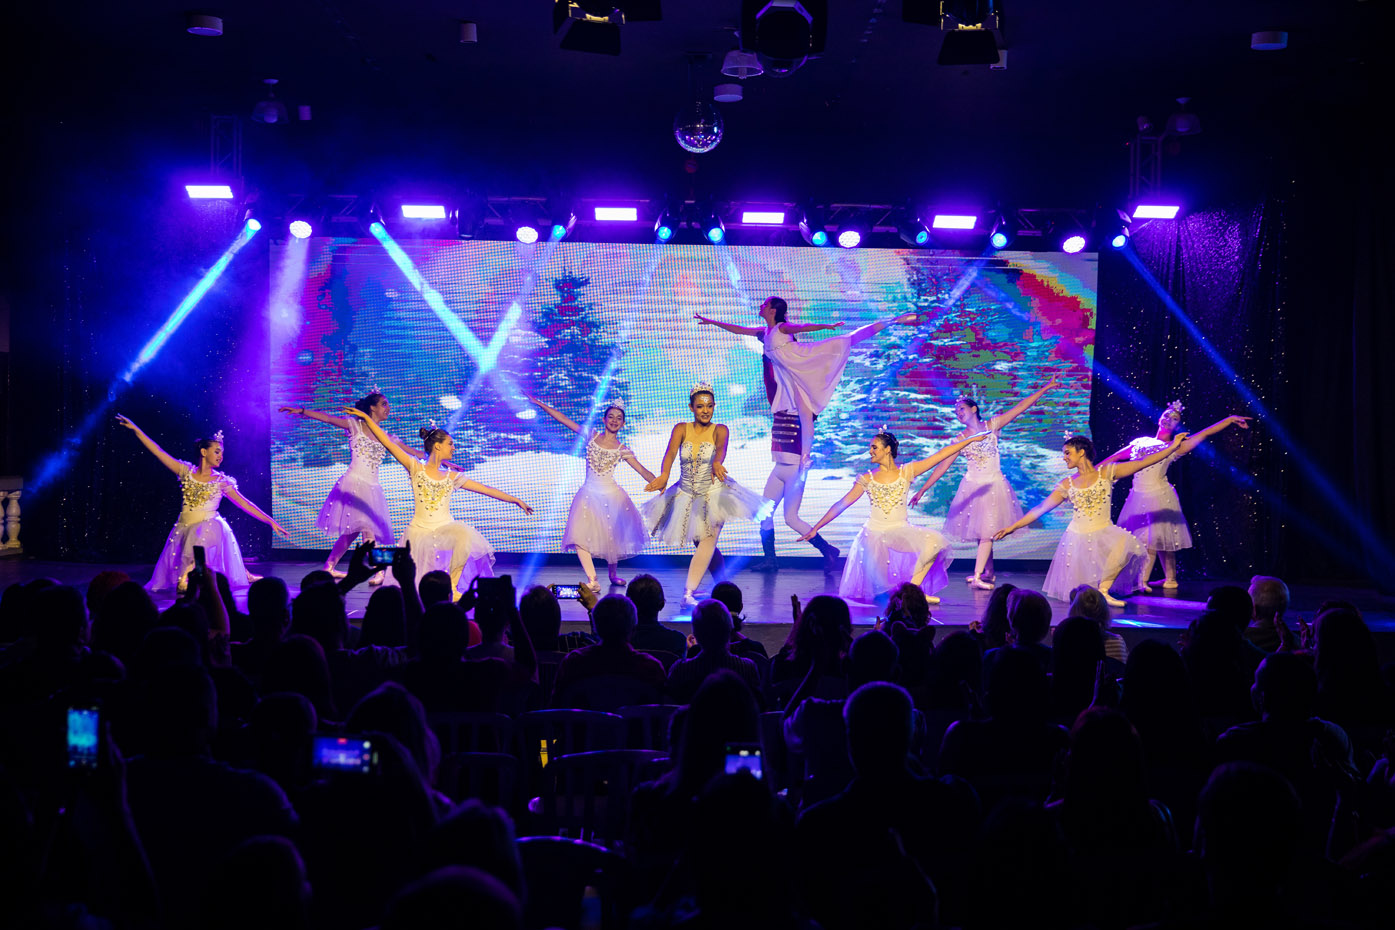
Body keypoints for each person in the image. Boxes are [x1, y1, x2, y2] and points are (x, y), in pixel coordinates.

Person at [696, 297, 922, 573]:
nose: (761, 307)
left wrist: (826, 327)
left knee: (791, 518)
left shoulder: (794, 377)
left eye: (765, 305)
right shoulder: (777, 381)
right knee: (763, 513)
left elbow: (801, 328)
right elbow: (740, 329)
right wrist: (711, 322)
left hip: (794, 466)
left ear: (774, 310)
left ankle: (828, 551)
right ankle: (771, 560)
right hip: (780, 466)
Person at [345, 407, 532, 597]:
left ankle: (452, 586)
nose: (454, 447)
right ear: (437, 446)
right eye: (450, 443)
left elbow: (486, 489)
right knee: (418, 585)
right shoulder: (415, 468)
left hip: (445, 530)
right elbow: (387, 442)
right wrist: (367, 418)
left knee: (464, 534)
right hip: (419, 532)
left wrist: (515, 500)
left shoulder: (452, 477)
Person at [993, 432, 1191, 607]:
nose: (1064, 457)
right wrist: (1013, 527)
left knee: (1128, 545)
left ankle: (1104, 591)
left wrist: (1173, 447)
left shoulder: (1107, 472)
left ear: (1081, 452)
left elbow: (1143, 462)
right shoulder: (1067, 484)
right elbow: (1040, 509)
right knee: (1084, 590)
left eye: (1067, 453)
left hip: (1103, 529)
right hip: (1077, 535)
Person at [799, 429, 989, 604]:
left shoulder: (906, 471)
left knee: (934, 542)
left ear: (887, 449)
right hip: (875, 535)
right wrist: (816, 528)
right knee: (882, 591)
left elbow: (940, 455)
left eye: (874, 447)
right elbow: (842, 504)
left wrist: (970, 440)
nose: (870, 451)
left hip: (900, 530)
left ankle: (913, 592)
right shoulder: (867, 478)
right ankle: (901, 598)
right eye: (870, 448)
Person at [910, 378, 1059, 589]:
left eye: (961, 409)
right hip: (973, 488)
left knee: (986, 533)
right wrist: (923, 490)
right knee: (983, 533)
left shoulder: (992, 426)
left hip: (994, 486)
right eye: (956, 411)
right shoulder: (960, 439)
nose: (958, 413)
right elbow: (943, 466)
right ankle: (989, 572)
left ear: (974, 409)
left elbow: (1020, 408)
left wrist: (1045, 387)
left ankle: (978, 576)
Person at [118, 416, 290, 592]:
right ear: (203, 452)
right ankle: (198, 579)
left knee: (200, 538)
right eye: (217, 452)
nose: (221, 456)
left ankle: (188, 577)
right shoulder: (185, 472)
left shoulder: (221, 481)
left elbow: (246, 504)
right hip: (185, 526)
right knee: (192, 544)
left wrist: (270, 521)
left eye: (222, 453)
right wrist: (136, 430)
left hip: (211, 526)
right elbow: (158, 451)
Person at [641, 382, 769, 606]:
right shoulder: (681, 428)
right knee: (702, 542)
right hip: (686, 493)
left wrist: (717, 462)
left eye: (709, 406)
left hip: (714, 493)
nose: (705, 410)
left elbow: (721, 449)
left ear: (714, 406)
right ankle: (723, 586)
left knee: (708, 540)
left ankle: (688, 594)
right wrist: (664, 475)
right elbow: (670, 453)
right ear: (691, 407)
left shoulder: (720, 429)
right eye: (700, 406)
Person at [1099, 401, 1251, 590]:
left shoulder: (1175, 445)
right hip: (1137, 495)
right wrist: (1092, 472)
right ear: (1159, 417)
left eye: (1175, 419)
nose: (1168, 419)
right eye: (1166, 415)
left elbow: (1204, 433)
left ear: (1178, 426)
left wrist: (1229, 420)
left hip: (1158, 495)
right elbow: (1115, 458)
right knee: (1159, 538)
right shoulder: (1141, 441)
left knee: (1152, 539)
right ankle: (1170, 579)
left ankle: (1142, 581)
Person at [527, 394, 656, 592]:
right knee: (578, 536)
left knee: (612, 537)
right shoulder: (591, 436)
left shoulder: (622, 449)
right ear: (604, 419)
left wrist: (661, 483)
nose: (614, 420)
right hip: (588, 495)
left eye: (619, 418)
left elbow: (642, 471)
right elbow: (563, 419)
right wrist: (539, 404)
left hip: (612, 496)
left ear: (623, 424)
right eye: (611, 416)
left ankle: (612, 575)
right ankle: (593, 579)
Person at [279, 391, 398, 582]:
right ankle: (379, 570)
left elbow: (410, 452)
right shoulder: (355, 425)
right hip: (354, 484)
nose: (388, 408)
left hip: (372, 488)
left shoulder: (386, 436)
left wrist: (439, 459)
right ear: (372, 407)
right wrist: (302, 411)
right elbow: (327, 418)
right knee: (369, 530)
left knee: (352, 533)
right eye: (384, 404)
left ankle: (329, 567)